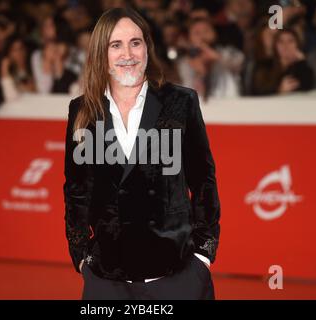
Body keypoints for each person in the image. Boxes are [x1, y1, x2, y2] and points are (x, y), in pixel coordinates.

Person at [64, 7, 220, 300]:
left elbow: (203, 181)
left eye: (136, 42)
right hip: (106, 279)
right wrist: (81, 254)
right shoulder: (82, 111)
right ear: (101, 53)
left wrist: (203, 255)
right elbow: (76, 190)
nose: (128, 54)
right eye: (116, 45)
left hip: (177, 275)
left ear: (147, 47)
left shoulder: (180, 102)